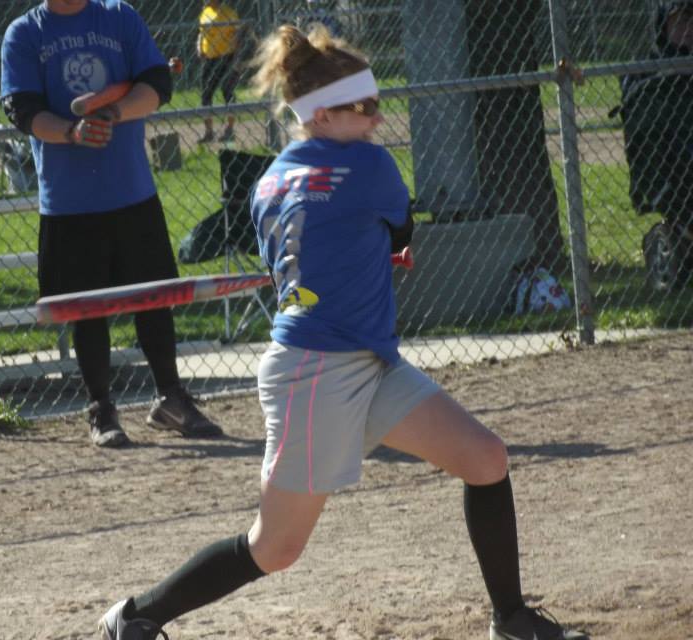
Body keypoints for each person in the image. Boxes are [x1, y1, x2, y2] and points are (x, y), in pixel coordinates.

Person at [96, 25, 590, 640]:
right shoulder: (368, 164)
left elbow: (305, 252)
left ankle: (511, 620)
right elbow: (402, 231)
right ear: (321, 113)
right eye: (365, 107)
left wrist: (365, 247)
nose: (378, 118)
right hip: (316, 372)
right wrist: (388, 245)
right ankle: (135, 618)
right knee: (274, 548)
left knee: (485, 459)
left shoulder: (268, 180)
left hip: (361, 358)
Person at [0, 0, 224, 448]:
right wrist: (71, 132)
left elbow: (157, 84)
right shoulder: (24, 33)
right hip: (69, 202)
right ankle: (101, 408)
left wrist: (114, 112)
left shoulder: (119, 16)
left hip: (131, 192)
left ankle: (170, 398)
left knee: (154, 299)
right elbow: (23, 111)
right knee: (88, 310)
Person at [617, 1, 693, 289]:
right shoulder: (649, 72)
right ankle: (674, 244)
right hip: (676, 169)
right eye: (680, 22)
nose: (688, 30)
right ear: (664, 26)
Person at [196, 0, 241, 143]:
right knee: (206, 94)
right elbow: (201, 33)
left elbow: (237, 36)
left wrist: (236, 58)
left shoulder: (229, 13)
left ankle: (230, 129)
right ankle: (209, 132)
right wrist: (199, 47)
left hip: (226, 56)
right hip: (209, 58)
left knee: (227, 92)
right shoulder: (205, 12)